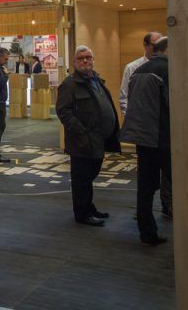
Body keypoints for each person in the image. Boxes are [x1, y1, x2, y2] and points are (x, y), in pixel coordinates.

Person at [56, 46, 120, 227]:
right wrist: (81, 131)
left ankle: (89, 207)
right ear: (75, 62)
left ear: (93, 60)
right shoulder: (69, 84)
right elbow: (63, 111)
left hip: (98, 139)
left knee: (90, 174)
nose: (85, 61)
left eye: (88, 57)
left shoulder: (96, 80)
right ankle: (82, 213)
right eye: (81, 58)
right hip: (82, 141)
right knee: (81, 178)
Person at [121, 37, 171, 245]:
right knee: (179, 184)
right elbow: (172, 106)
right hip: (163, 136)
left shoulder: (138, 71)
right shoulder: (168, 71)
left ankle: (147, 231)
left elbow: (130, 101)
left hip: (143, 138)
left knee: (145, 186)